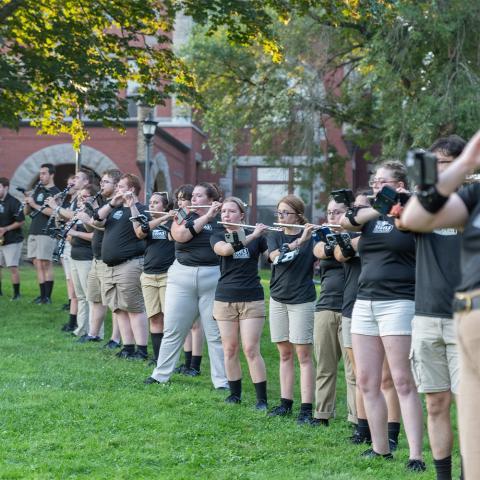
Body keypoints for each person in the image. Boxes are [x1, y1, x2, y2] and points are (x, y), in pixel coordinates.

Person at [400, 134, 478, 479]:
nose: (432, 172)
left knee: (470, 409)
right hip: (431, 315)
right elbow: (413, 217)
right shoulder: (448, 198)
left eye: (440, 163)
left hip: (464, 316)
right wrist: (456, 171)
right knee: (435, 404)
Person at [341, 161, 425, 472]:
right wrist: (381, 203)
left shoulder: (413, 211)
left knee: (402, 380)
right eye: (374, 182)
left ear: (400, 183)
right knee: (366, 380)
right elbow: (349, 221)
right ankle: (380, 449)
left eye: (383, 182)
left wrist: (400, 201)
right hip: (365, 302)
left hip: (399, 301)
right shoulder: (370, 216)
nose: (376, 186)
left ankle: (415, 455)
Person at [145, 182, 228, 389]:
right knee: (173, 328)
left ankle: (222, 381)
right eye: (194, 195)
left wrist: (214, 217)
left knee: (215, 333)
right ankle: (160, 374)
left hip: (212, 277)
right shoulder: (183, 214)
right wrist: (206, 217)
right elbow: (180, 236)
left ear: (211, 200)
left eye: (199, 196)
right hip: (182, 275)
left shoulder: (222, 219)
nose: (194, 199)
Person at [211, 197, 269, 409]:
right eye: (223, 211)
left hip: (252, 297)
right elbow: (226, 250)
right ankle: (235, 395)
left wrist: (296, 241)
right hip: (225, 298)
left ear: (241, 215)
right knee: (229, 349)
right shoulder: (217, 234)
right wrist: (253, 234)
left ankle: (261, 399)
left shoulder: (258, 237)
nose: (225, 214)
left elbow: (271, 258)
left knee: (251, 349)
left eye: (231, 211)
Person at [267, 194, 317, 425]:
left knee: (303, 355)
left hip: (302, 300)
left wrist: (310, 236)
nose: (280, 217)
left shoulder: (313, 236)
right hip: (278, 298)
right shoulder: (275, 235)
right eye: (279, 212)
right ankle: (285, 403)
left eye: (285, 213)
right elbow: (275, 257)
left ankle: (306, 409)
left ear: (298, 215)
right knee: (284, 353)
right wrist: (299, 241)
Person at [94, 173, 148, 360]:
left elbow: (142, 227)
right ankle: (128, 347)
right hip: (110, 266)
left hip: (130, 264)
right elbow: (96, 220)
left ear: (131, 189)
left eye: (121, 186)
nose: (117, 190)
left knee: (133, 307)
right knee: (117, 308)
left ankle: (141, 349)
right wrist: (111, 204)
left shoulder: (141, 208)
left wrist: (131, 204)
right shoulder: (114, 209)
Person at [312, 198, 356, 427]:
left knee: (353, 371)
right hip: (326, 307)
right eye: (329, 212)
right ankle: (322, 414)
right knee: (325, 366)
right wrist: (332, 244)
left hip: (352, 309)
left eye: (337, 212)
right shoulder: (322, 235)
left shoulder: (358, 235)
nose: (331, 216)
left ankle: (356, 418)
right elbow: (318, 250)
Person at [131, 192, 175, 363]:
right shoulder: (149, 223)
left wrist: (168, 218)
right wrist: (159, 219)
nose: (151, 205)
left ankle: (168, 359)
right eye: (150, 202)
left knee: (168, 319)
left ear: (165, 206)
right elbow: (140, 233)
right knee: (154, 318)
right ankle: (157, 358)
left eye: (156, 202)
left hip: (167, 275)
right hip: (148, 275)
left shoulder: (173, 223)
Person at [85, 169, 123, 347]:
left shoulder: (119, 205)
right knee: (96, 298)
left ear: (116, 185)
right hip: (96, 256)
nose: (101, 185)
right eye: (101, 182)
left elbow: (111, 229)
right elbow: (91, 229)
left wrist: (90, 218)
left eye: (106, 182)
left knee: (114, 302)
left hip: (109, 259)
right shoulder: (102, 203)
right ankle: (93, 334)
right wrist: (88, 216)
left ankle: (115, 339)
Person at [171, 185, 205, 376]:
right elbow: (173, 233)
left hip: (201, 273)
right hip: (182, 271)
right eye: (178, 198)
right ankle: (186, 361)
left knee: (196, 324)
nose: (180, 202)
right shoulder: (184, 215)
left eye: (184, 198)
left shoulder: (200, 216)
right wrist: (178, 214)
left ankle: (195, 364)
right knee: (185, 322)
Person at [24, 163, 60, 304]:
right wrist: (28, 202)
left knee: (46, 263)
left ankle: (48, 297)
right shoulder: (37, 190)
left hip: (47, 231)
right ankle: (42, 295)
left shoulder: (56, 192)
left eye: (44, 173)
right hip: (34, 230)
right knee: (37, 262)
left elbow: (54, 212)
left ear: (51, 175)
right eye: (40, 173)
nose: (41, 176)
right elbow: (27, 213)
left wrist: (34, 204)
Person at [0, 177, 25, 300]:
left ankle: (17, 294)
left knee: (12, 267)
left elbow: (21, 221)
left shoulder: (15, 202)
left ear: (5, 188)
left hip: (13, 239)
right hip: (0, 240)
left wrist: (5, 229)